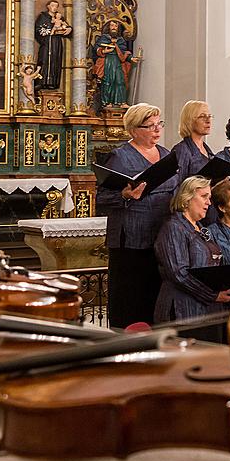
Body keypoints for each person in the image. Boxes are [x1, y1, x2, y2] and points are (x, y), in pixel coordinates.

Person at [95, 103, 177, 329]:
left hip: (162, 232)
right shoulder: (120, 156)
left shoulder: (167, 155)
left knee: (156, 292)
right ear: (133, 130)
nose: (157, 130)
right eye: (149, 126)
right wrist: (125, 194)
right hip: (131, 238)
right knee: (131, 296)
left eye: (159, 124)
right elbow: (100, 198)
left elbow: (176, 187)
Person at [154, 176, 230, 341]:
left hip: (208, 311)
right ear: (186, 198)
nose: (209, 202)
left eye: (209, 197)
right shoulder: (174, 227)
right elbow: (178, 273)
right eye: (204, 196)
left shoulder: (201, 229)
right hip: (184, 310)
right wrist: (213, 295)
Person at [172, 101, 217, 223]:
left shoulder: (208, 150)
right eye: (202, 116)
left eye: (209, 116)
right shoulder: (182, 150)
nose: (208, 120)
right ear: (189, 121)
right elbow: (178, 187)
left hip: (210, 212)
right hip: (191, 216)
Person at [93, 20, 139, 109]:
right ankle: (107, 102)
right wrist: (104, 51)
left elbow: (124, 53)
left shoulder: (121, 40)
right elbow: (96, 49)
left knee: (120, 81)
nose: (114, 27)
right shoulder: (104, 38)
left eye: (115, 26)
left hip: (118, 62)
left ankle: (121, 101)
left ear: (118, 28)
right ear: (108, 27)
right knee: (107, 82)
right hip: (107, 62)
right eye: (112, 26)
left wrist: (131, 58)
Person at [35, 0, 72, 91]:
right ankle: (42, 82)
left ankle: (53, 83)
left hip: (56, 42)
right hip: (46, 42)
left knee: (56, 60)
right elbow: (38, 30)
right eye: (53, 5)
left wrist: (69, 29)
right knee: (44, 59)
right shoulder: (43, 16)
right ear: (48, 6)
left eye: (56, 6)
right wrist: (52, 29)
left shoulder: (59, 17)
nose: (54, 8)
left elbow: (66, 26)